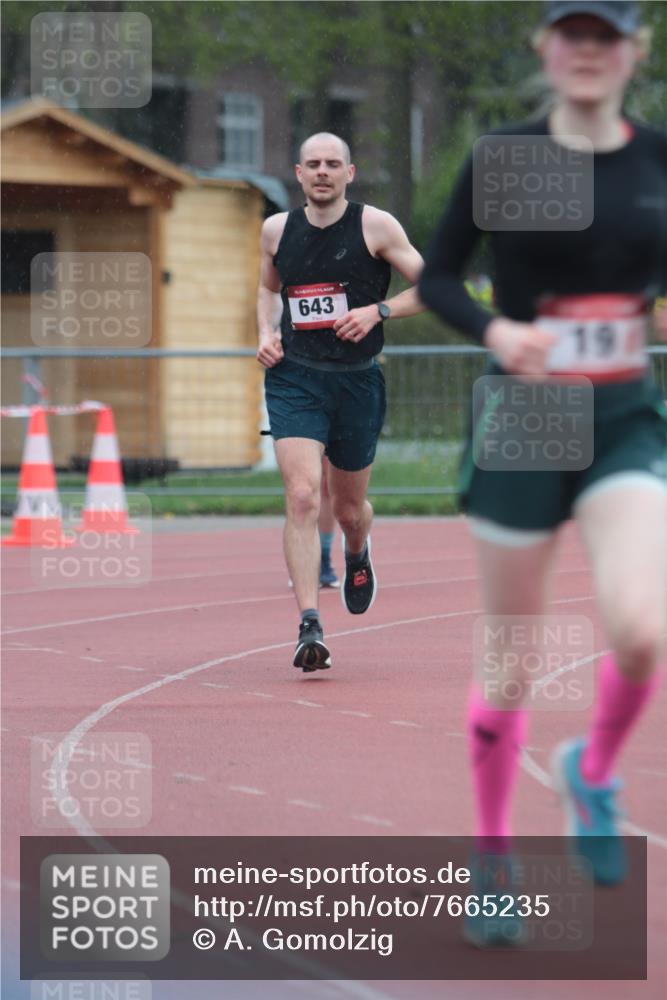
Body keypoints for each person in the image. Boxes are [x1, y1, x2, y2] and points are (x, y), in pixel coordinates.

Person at [419, 0, 667, 944]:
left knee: (641, 633)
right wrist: (495, 329)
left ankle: (592, 771)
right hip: (525, 414)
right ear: (546, 49)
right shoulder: (508, 157)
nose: (589, 52)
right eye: (574, 35)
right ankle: (491, 854)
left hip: (621, 416)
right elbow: (441, 275)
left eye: (608, 37)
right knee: (511, 659)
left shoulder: (655, 159)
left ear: (634, 51)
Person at [257, 132, 424, 672]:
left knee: (349, 509)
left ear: (350, 173)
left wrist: (380, 311)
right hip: (295, 378)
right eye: (313, 164)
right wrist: (266, 330)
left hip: (356, 381)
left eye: (333, 164)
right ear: (298, 174)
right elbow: (267, 288)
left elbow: (435, 286)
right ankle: (309, 622)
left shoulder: (376, 226)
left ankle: (357, 549)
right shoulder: (276, 230)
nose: (323, 172)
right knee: (304, 495)